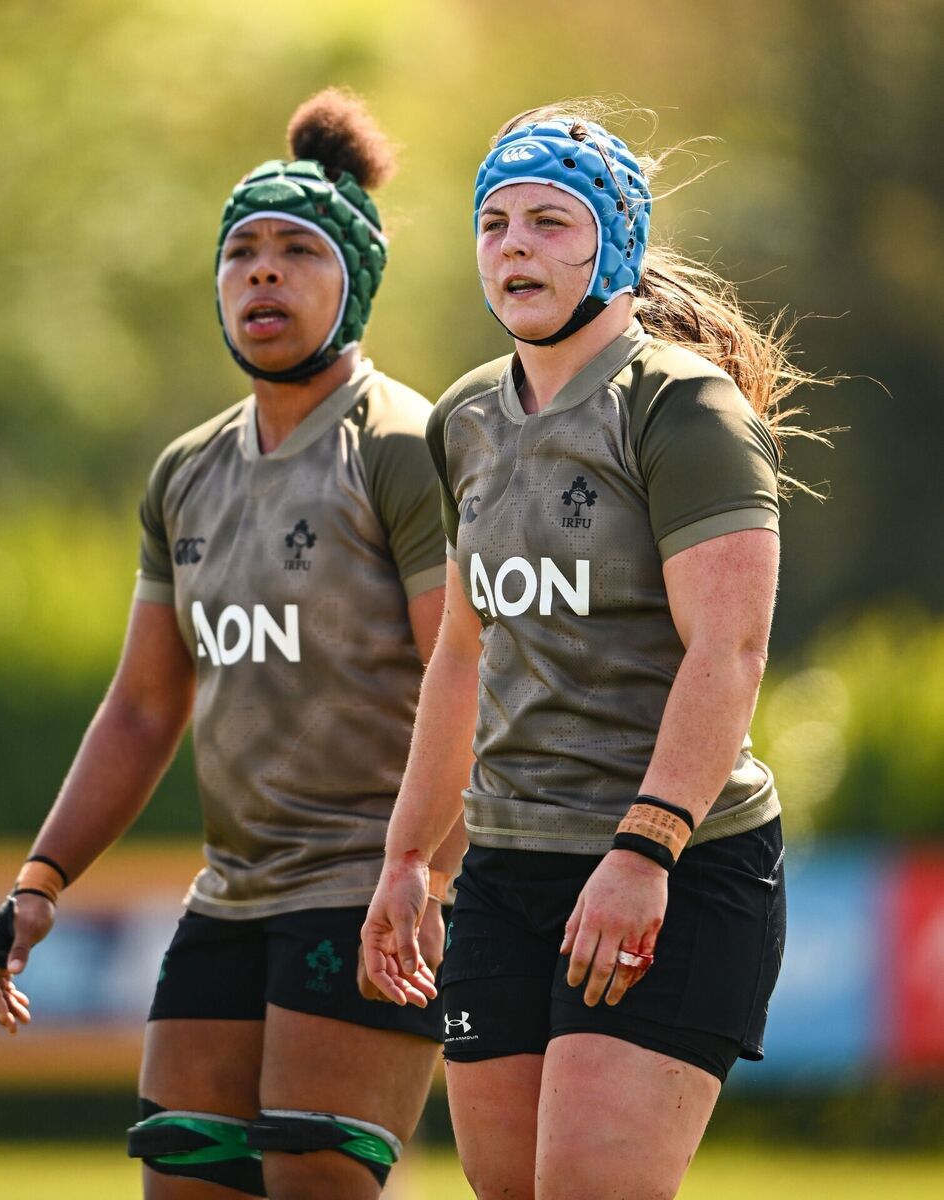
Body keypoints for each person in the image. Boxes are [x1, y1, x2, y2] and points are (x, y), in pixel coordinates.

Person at [0, 88, 462, 1200]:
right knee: (185, 1182)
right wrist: (43, 879)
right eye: (241, 253)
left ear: (356, 280)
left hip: (369, 886)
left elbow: (469, 676)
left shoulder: (402, 446)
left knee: (313, 1178)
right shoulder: (185, 472)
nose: (262, 274)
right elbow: (144, 707)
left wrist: (429, 875)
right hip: (232, 895)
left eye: (298, 251)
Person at [362, 102, 815, 1199]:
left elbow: (730, 650)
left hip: (674, 865)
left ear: (615, 243)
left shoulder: (683, 407)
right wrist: (410, 859)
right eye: (494, 223)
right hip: (507, 871)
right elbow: (461, 657)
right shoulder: (464, 417)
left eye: (550, 222)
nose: (513, 245)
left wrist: (644, 851)